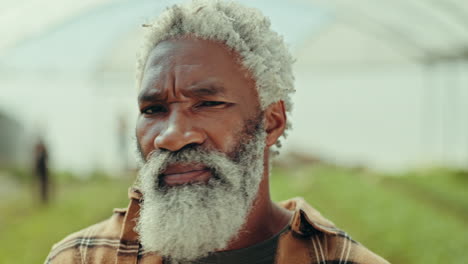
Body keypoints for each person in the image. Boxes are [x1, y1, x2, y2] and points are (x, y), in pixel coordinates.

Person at [45, 1, 389, 263]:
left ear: (271, 122)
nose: (171, 136)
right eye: (153, 110)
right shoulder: (81, 257)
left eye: (207, 104)